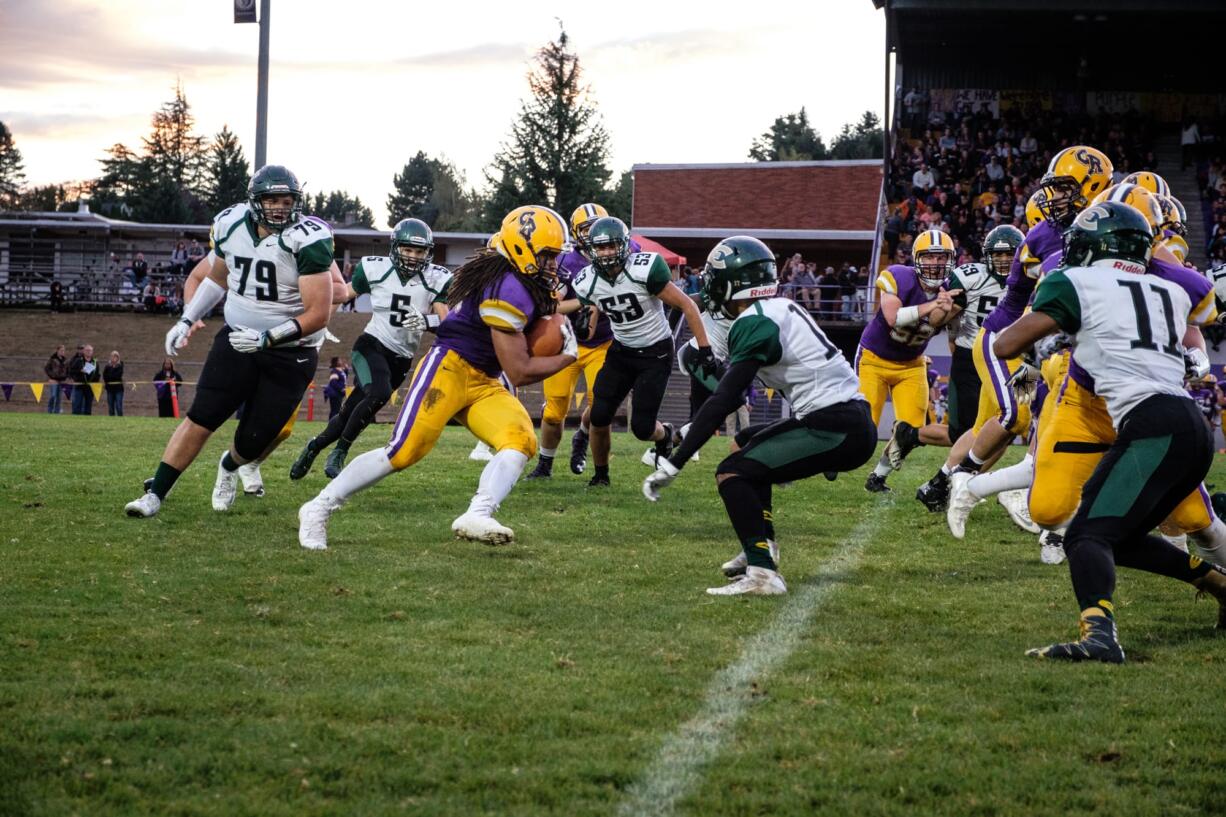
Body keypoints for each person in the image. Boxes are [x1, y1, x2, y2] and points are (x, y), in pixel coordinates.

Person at [993, 201, 1226, 662]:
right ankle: (1217, 582)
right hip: (1190, 427)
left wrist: (1060, 334)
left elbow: (1006, 343)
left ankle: (1099, 634)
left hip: (1150, 425)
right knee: (1117, 538)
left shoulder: (1074, 280)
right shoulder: (1168, 289)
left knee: (1084, 536)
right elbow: (1199, 311)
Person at [297, 205, 579, 549]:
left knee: (521, 440)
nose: (554, 263)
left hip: (484, 380)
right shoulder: (508, 288)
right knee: (403, 451)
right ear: (522, 248)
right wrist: (567, 357)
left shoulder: (522, 277)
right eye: (548, 255)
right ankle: (318, 507)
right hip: (449, 368)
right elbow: (518, 372)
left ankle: (478, 513)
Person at [642, 236, 875, 595]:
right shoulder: (776, 309)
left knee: (731, 472)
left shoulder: (756, 322)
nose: (709, 285)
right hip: (840, 418)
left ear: (734, 283)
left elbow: (724, 398)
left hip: (835, 425)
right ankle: (763, 545)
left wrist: (675, 462)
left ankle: (763, 574)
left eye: (715, 277)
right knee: (742, 445)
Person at [125, 164, 337, 518]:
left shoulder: (310, 238)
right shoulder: (230, 224)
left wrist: (267, 338)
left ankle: (230, 464)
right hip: (237, 340)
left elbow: (319, 314)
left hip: (290, 353)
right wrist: (186, 318)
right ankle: (155, 494)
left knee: (255, 439)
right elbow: (217, 278)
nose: (280, 207)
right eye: (272, 200)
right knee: (202, 416)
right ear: (255, 201)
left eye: (287, 200)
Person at [290, 218, 451, 480]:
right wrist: (319, 322)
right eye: (407, 249)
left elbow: (447, 322)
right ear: (396, 248)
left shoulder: (436, 278)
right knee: (379, 392)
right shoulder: (376, 269)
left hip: (401, 359)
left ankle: (313, 447)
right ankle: (341, 451)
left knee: (349, 412)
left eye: (419, 251)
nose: (413, 256)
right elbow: (342, 294)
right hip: (371, 345)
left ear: (428, 253)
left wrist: (428, 320)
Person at [569, 216, 713, 488]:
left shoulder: (645, 269)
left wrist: (704, 347)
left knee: (642, 428)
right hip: (621, 351)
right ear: (591, 250)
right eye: (600, 247)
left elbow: (687, 306)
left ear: (624, 246)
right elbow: (587, 331)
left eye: (612, 246)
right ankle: (601, 475)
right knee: (599, 415)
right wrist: (580, 330)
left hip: (655, 352)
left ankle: (665, 435)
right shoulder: (587, 281)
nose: (607, 253)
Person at [914, 224, 1021, 511]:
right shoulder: (971, 277)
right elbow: (936, 321)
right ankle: (951, 484)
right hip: (976, 356)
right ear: (987, 256)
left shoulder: (1031, 278)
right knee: (989, 425)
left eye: (1009, 254)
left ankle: (954, 485)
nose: (1003, 261)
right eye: (998, 255)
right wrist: (944, 307)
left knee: (1009, 427)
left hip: (1018, 361)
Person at [523, 203, 632, 480]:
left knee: (601, 411)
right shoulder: (564, 263)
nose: (595, 233)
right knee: (554, 410)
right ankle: (545, 465)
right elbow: (551, 307)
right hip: (565, 342)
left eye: (599, 226)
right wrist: (587, 301)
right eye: (587, 228)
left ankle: (596, 464)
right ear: (575, 232)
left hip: (606, 342)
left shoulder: (626, 257)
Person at [857, 229, 961, 493]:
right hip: (874, 359)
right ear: (916, 259)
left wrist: (947, 311)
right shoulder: (899, 276)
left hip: (912, 363)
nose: (936, 264)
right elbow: (893, 318)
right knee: (863, 427)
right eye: (929, 257)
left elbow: (947, 331)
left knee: (912, 430)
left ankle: (877, 477)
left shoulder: (951, 290)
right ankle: (832, 457)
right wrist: (932, 306)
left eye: (942, 258)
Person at [68, 344, 100, 415]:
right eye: (87, 350)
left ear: (92, 352)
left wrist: (95, 383)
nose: (89, 352)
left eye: (90, 350)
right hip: (79, 385)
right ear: (84, 351)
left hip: (90, 387)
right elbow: (71, 371)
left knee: (88, 404)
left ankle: (87, 420)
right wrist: (80, 370)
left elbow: (97, 374)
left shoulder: (95, 362)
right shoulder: (79, 361)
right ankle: (75, 419)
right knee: (77, 403)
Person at [44, 344, 68, 414]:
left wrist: (66, 376)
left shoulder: (65, 360)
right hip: (53, 381)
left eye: (63, 351)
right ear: (57, 351)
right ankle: (50, 410)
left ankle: (57, 411)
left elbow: (67, 370)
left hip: (61, 381)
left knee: (59, 397)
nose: (62, 352)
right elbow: (47, 369)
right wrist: (52, 377)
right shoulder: (52, 359)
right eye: (61, 350)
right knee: (53, 396)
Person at [103, 350, 125, 416]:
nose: (114, 358)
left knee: (118, 406)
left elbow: (117, 376)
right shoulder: (107, 366)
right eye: (112, 356)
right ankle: (111, 420)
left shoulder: (120, 366)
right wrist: (110, 377)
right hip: (110, 389)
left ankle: (120, 420)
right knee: (111, 407)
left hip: (118, 389)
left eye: (115, 356)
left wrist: (110, 376)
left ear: (118, 358)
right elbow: (105, 376)